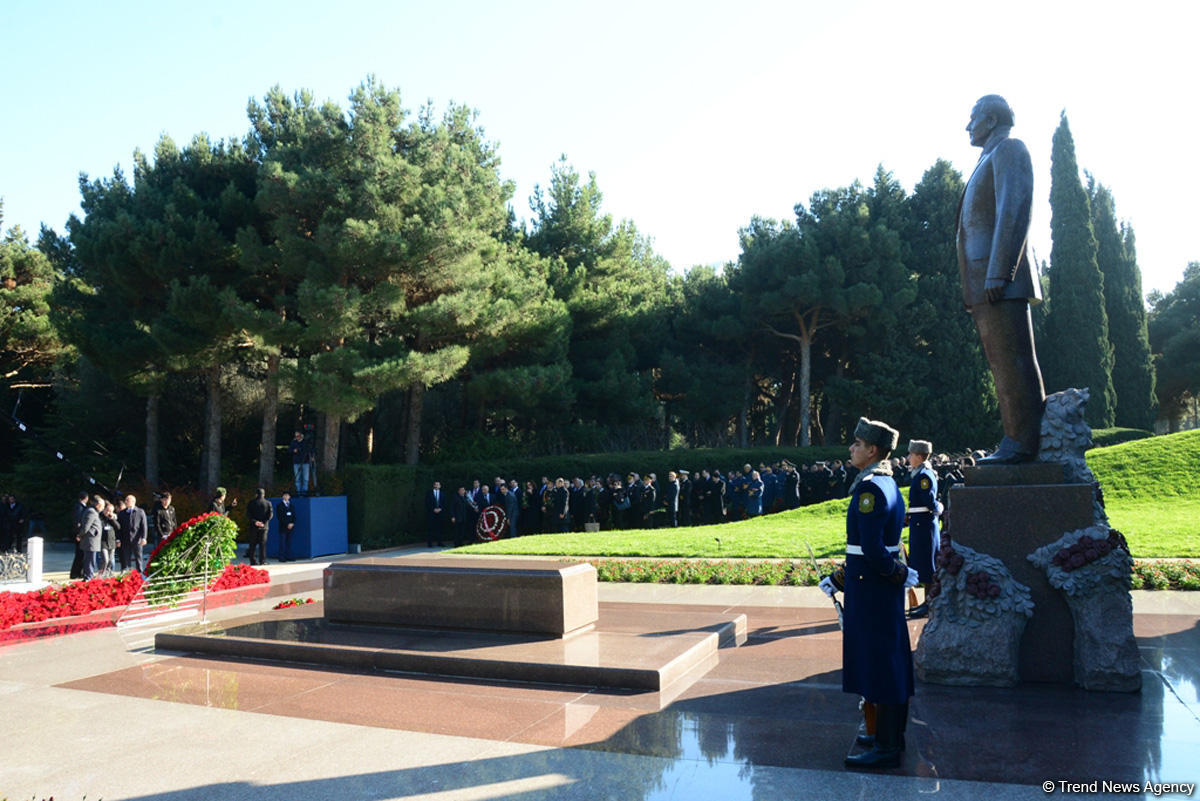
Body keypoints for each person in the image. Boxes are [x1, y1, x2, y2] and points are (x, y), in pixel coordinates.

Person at [820, 417, 917, 770]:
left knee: (882, 664)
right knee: (887, 660)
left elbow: (873, 551)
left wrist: (897, 573)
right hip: (876, 587)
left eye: (857, 444)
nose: (851, 448)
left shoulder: (870, 489)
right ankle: (888, 736)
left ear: (872, 450)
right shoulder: (886, 482)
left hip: (873, 589)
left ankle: (887, 746)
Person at [957, 94, 1046, 464]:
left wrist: (999, 270)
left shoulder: (1010, 149)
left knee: (1013, 361)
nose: (967, 126)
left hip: (999, 279)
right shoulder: (989, 157)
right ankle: (1016, 437)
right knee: (1001, 364)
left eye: (973, 117)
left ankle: (1023, 442)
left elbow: (1015, 208)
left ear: (991, 119)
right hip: (985, 282)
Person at [904, 440, 941, 619]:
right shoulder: (920, 473)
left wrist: (937, 508)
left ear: (919, 456)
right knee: (924, 564)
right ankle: (927, 603)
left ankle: (929, 604)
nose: (908, 458)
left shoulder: (924, 476)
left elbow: (929, 501)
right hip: (921, 523)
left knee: (927, 566)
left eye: (911, 455)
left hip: (924, 525)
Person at [118, 494, 148, 573]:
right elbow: (119, 528)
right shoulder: (121, 513)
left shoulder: (140, 512)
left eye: (128, 500)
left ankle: (140, 573)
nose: (126, 502)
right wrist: (118, 539)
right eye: (126, 500)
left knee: (138, 558)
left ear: (133, 502)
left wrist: (144, 538)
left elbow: (144, 526)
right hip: (125, 539)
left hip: (137, 539)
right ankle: (128, 574)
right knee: (126, 558)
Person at [77, 495, 104, 580]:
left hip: (92, 540)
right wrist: (80, 535)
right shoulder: (91, 512)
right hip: (90, 540)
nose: (103, 508)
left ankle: (89, 576)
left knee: (90, 560)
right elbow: (86, 527)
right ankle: (88, 577)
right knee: (89, 560)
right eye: (102, 506)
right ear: (98, 505)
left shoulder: (93, 511)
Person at [246, 488, 273, 565]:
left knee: (252, 544)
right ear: (263, 494)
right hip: (264, 527)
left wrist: (255, 522)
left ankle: (252, 560)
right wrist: (263, 522)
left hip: (253, 526)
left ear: (256, 494)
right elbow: (270, 515)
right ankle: (262, 560)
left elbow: (248, 514)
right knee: (263, 544)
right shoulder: (268, 503)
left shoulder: (251, 503)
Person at [276, 491, 297, 561]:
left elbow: (294, 516)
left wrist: (292, 523)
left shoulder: (291, 506)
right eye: (285, 495)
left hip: (290, 527)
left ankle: (289, 556)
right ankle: (281, 557)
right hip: (283, 527)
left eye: (288, 495)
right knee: (282, 543)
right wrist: (287, 524)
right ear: (283, 496)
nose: (287, 497)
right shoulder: (280, 506)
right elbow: (280, 517)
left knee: (289, 542)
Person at [426, 481, 446, 547]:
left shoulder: (442, 493)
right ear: (434, 485)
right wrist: (433, 509)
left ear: (440, 486)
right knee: (430, 528)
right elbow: (427, 503)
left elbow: (444, 503)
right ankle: (430, 543)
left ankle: (440, 542)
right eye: (436, 484)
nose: (437, 486)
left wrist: (440, 508)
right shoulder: (429, 493)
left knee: (440, 528)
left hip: (440, 513)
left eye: (438, 484)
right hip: (432, 513)